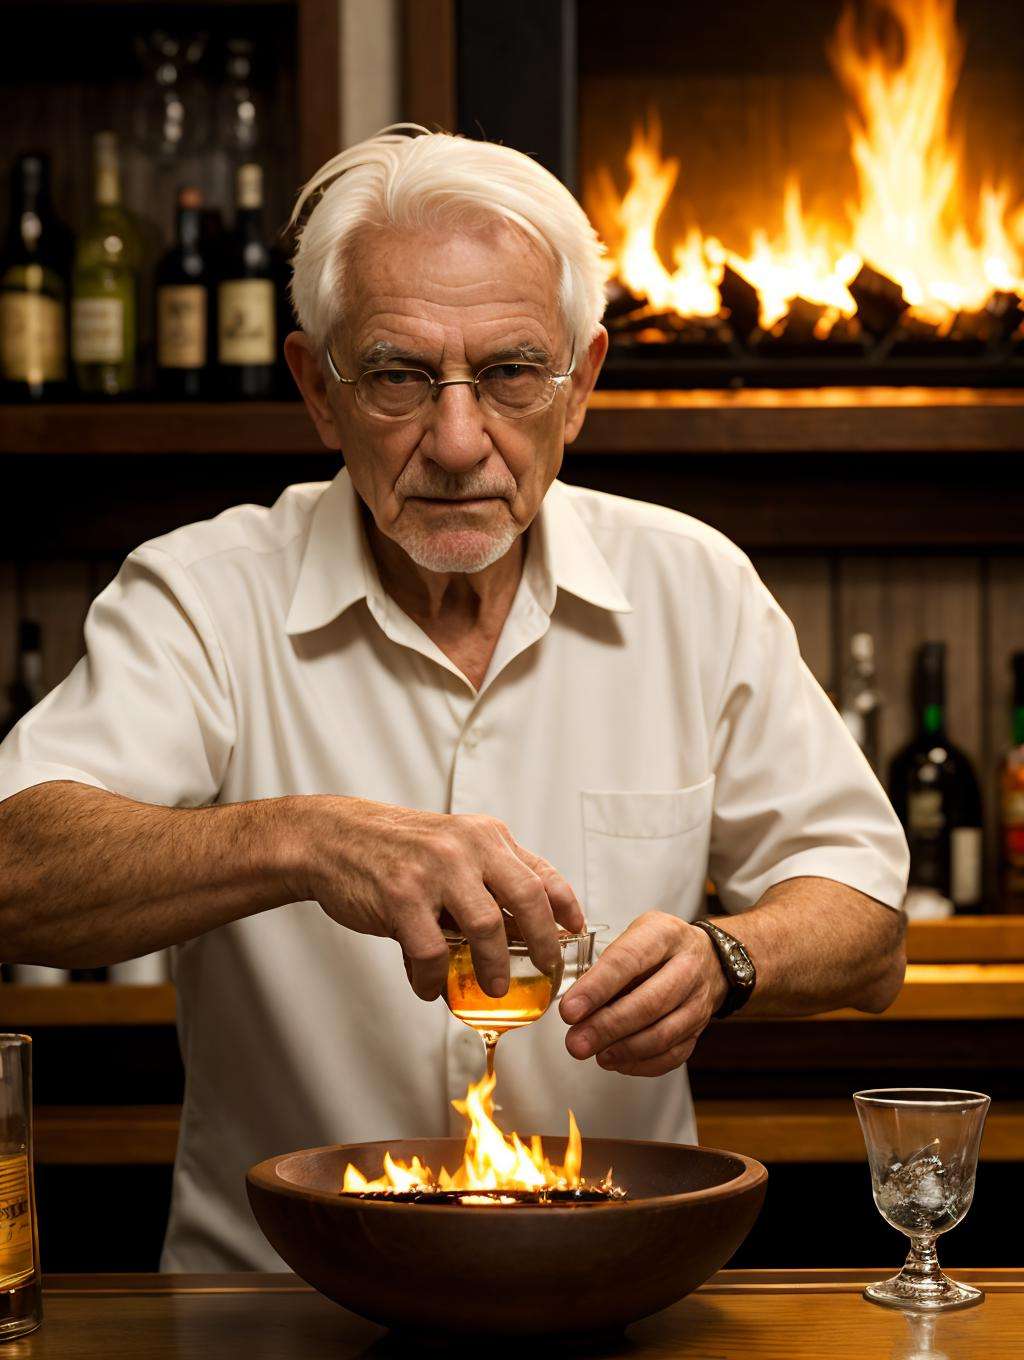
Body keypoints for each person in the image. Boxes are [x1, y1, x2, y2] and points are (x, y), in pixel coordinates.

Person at [0, 127, 908, 1271]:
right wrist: (303, 837)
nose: (458, 440)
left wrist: (729, 959)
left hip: (613, 1294)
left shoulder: (694, 584)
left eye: (514, 374)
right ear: (316, 391)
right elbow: (12, 869)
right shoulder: (199, 592)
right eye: (396, 376)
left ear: (580, 386)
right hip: (276, 1314)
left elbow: (868, 923)